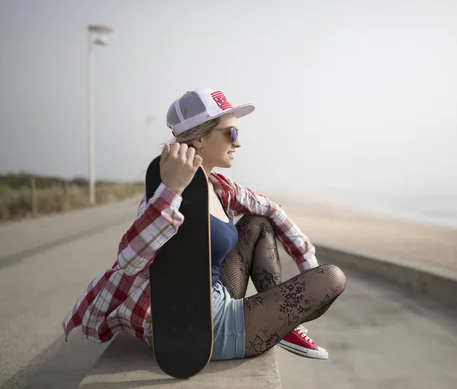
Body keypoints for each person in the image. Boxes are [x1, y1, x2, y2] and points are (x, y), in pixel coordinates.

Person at [63, 87, 347, 361]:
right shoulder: (169, 192)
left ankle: (281, 324)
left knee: (258, 223)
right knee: (332, 278)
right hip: (199, 328)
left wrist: (305, 259)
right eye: (231, 133)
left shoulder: (217, 186)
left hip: (216, 296)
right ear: (199, 138)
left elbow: (270, 209)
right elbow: (129, 260)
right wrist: (171, 191)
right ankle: (281, 323)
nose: (238, 142)